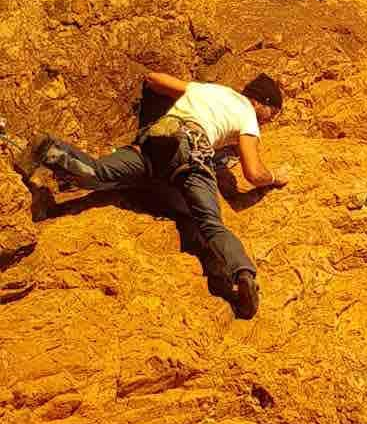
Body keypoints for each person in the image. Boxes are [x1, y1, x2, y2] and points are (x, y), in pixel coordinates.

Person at [29, 71, 288, 319]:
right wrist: (274, 178)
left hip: (156, 145)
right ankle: (243, 275)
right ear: (259, 102)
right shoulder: (247, 115)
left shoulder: (210, 90)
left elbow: (154, 79)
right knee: (210, 224)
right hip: (190, 156)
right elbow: (253, 172)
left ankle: (50, 150)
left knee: (99, 173)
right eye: (272, 112)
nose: (270, 120)